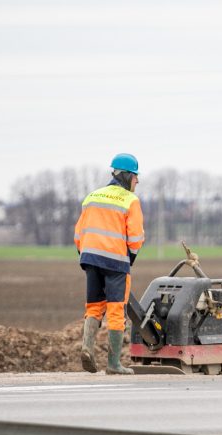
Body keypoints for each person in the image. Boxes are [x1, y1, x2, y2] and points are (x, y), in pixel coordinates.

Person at [74, 153, 145, 374]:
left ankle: (87, 348)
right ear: (126, 176)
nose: (137, 181)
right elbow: (135, 238)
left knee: (94, 306)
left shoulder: (92, 197)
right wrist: (129, 258)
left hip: (89, 258)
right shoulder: (130, 201)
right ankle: (113, 364)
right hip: (116, 262)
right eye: (135, 177)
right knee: (116, 310)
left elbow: (78, 234)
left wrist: (86, 253)